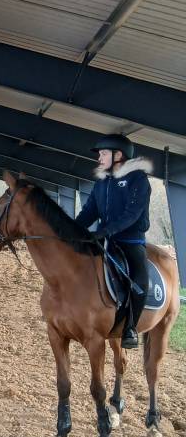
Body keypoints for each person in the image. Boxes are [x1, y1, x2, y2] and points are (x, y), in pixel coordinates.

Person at [75, 135, 152, 349]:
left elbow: (132, 215)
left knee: (140, 280)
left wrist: (106, 231)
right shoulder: (101, 182)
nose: (99, 158)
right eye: (99, 154)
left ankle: (131, 327)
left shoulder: (138, 179)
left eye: (103, 154)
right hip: (104, 238)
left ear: (118, 155)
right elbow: (89, 212)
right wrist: (70, 229)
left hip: (130, 240)